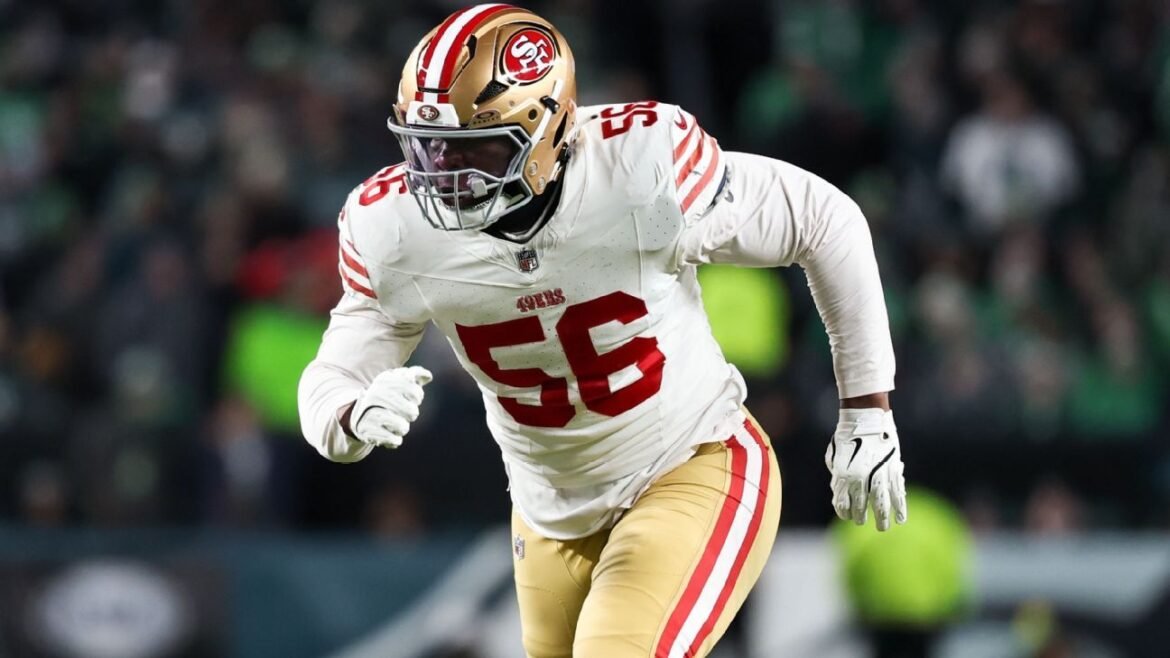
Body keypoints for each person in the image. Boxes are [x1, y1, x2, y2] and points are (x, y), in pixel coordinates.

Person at [297, 5, 907, 656]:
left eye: (474, 148)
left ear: (545, 129)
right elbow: (333, 376)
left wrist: (866, 409)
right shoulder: (392, 228)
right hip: (547, 513)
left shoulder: (640, 172)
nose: (444, 174)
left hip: (689, 463)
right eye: (427, 146)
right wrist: (348, 416)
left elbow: (823, 220)